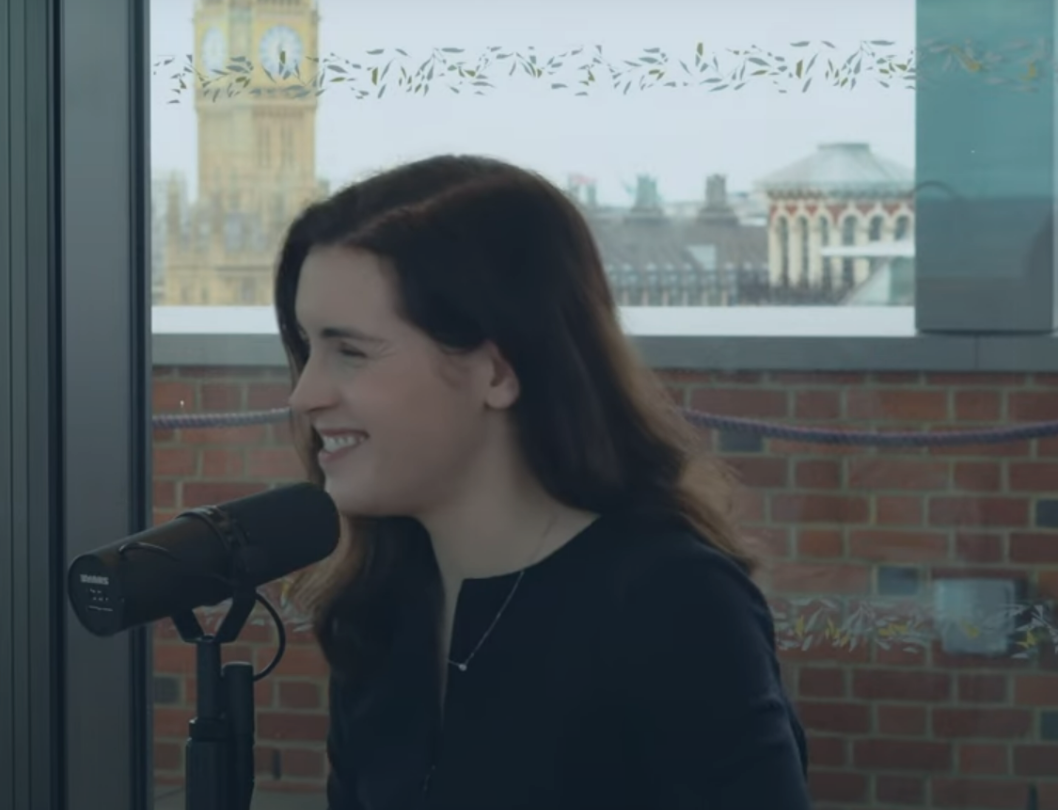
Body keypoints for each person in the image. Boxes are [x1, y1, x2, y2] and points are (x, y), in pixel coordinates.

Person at [275, 154, 810, 809]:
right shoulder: (380, 605)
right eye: (306, 348)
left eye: (350, 351)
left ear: (498, 372)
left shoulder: (673, 603)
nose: (305, 394)